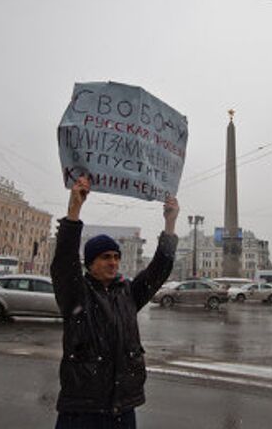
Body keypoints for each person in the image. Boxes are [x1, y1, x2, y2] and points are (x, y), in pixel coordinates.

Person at [51, 175, 179, 429]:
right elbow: (64, 261)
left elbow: (158, 271)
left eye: (116, 257)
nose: (113, 262)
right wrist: (74, 209)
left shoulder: (126, 293)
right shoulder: (77, 293)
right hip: (82, 410)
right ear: (90, 263)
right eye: (105, 257)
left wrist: (170, 223)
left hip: (122, 408)